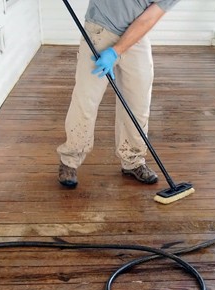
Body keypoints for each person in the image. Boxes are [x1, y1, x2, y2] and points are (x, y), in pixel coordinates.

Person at [57, 0, 181, 188]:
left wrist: (116, 52)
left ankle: (132, 160)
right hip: (100, 28)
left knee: (138, 103)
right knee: (86, 101)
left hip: (136, 35)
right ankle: (70, 160)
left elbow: (149, 17)